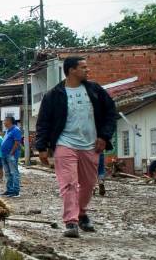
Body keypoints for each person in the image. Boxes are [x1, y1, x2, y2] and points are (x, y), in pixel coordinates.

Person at [35, 56, 118, 238]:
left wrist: (104, 136)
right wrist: (42, 147)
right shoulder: (54, 95)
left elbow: (111, 112)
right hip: (65, 143)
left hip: (91, 145)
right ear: (71, 70)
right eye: (83, 67)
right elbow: (43, 122)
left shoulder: (95, 90)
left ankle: (81, 213)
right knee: (69, 183)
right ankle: (71, 222)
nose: (88, 70)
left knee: (88, 184)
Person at [0, 115, 23, 197]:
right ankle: (9, 190)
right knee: (8, 173)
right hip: (4, 155)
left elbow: (17, 143)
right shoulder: (7, 131)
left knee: (14, 173)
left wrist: (12, 153)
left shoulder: (16, 130)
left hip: (11, 155)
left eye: (5, 121)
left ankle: (16, 191)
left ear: (9, 121)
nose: (4, 122)